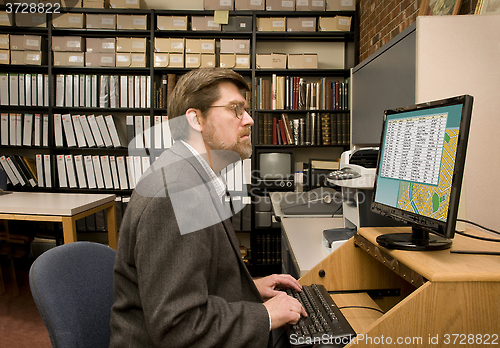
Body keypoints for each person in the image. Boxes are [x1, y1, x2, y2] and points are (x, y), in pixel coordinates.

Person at [110, 68, 307, 348]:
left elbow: (196, 276)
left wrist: (248, 288)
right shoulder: (177, 191)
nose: (249, 119)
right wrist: (263, 314)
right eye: (236, 109)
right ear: (195, 119)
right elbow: (179, 327)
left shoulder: (191, 175)